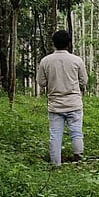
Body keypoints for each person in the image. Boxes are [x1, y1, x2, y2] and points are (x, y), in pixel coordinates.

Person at [37, 30, 88, 167]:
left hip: (55, 105)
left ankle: (56, 165)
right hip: (74, 104)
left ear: (53, 43)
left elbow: (41, 82)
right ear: (69, 43)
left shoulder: (45, 61)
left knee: (55, 135)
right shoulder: (77, 60)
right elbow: (84, 81)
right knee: (76, 133)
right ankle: (79, 162)